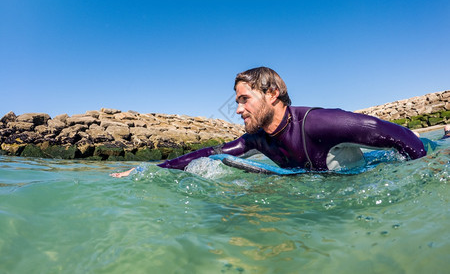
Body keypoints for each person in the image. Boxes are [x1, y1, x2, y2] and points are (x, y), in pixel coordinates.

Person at [110, 67, 426, 177]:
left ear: (272, 94)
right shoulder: (256, 140)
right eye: (236, 102)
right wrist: (151, 169)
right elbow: (209, 154)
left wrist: (430, 169)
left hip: (365, 179)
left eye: (244, 99)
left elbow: (400, 136)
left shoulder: (319, 123)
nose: (237, 110)